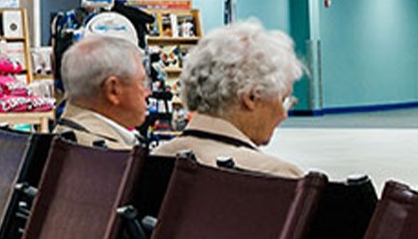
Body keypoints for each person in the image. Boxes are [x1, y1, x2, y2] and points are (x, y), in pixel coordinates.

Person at [153, 19, 304, 177]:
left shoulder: (156, 158)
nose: (283, 114)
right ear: (250, 97)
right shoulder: (279, 175)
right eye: (283, 100)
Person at [55, 34, 150, 148]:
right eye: (142, 83)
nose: (148, 92)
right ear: (113, 90)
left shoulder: (63, 138)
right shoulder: (112, 157)